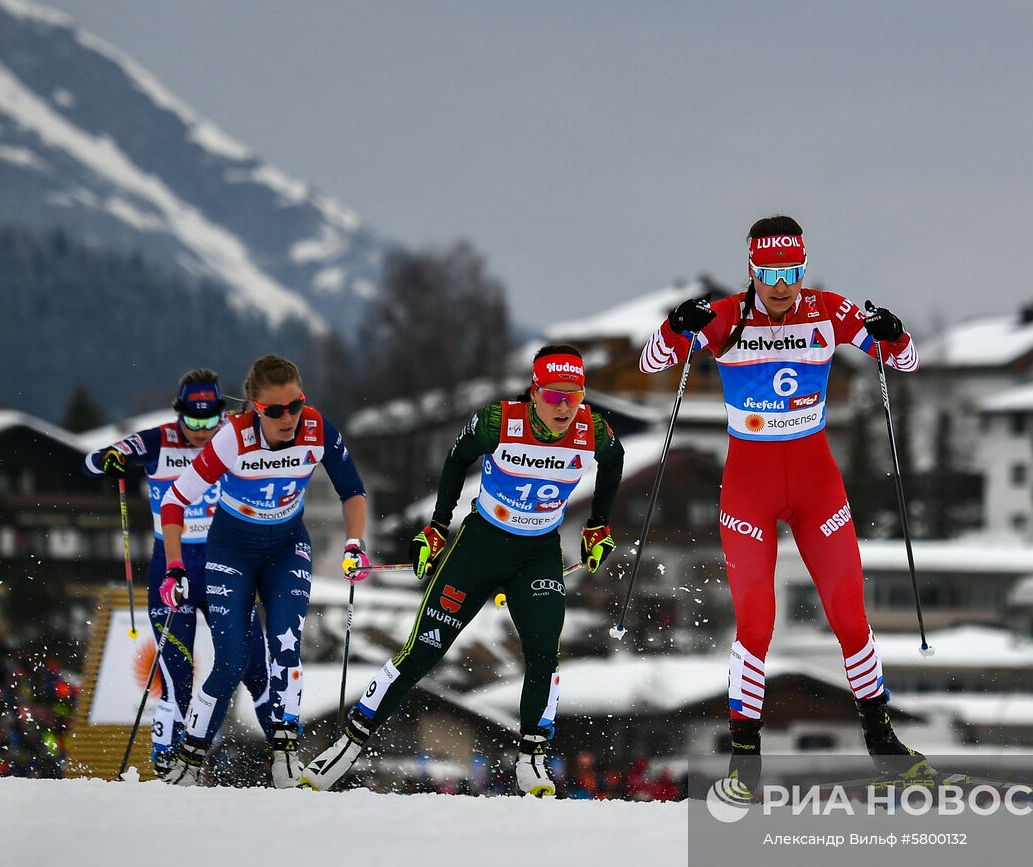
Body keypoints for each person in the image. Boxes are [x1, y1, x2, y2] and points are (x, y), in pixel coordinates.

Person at [639, 215, 923, 796]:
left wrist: (895, 334)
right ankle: (746, 756)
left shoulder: (827, 309)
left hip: (819, 489)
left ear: (802, 267)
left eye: (790, 272)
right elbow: (650, 363)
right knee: (756, 625)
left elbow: (905, 362)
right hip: (749, 491)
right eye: (768, 273)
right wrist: (674, 327)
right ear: (752, 270)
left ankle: (882, 740)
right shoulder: (723, 318)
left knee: (849, 616)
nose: (780, 286)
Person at [300, 345, 624, 797]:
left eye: (574, 395)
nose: (565, 406)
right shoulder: (498, 421)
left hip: (539, 554)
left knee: (544, 654)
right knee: (422, 652)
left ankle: (531, 759)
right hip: (480, 546)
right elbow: (456, 461)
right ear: (535, 393)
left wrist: (597, 525)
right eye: (554, 395)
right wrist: (436, 529)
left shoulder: (593, 430)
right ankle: (348, 744)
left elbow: (614, 462)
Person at [156, 355, 368, 787]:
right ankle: (191, 756)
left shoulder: (317, 428)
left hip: (286, 549)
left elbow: (353, 491)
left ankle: (285, 753)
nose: (288, 418)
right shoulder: (232, 439)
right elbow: (175, 502)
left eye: (295, 405)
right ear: (255, 408)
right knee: (232, 659)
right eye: (275, 411)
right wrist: (174, 567)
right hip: (231, 551)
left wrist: (353, 543)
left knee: (286, 646)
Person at [83, 370, 271, 777]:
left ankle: (284, 755)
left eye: (210, 420)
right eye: (193, 421)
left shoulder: (233, 436)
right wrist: (110, 459)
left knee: (256, 667)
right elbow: (92, 460)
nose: (202, 431)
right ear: (179, 414)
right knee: (177, 679)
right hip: (173, 568)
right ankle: (167, 763)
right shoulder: (159, 440)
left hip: (225, 566)